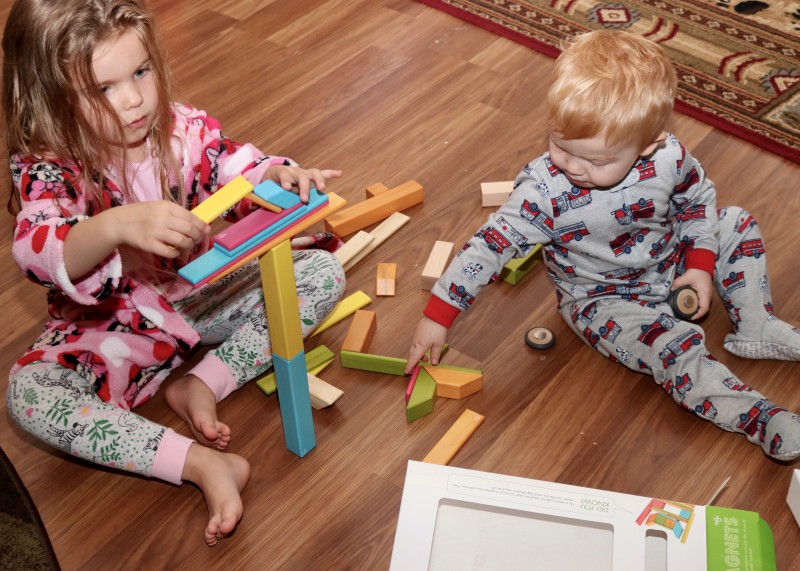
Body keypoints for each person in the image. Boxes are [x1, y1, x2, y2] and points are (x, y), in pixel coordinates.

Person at [3, 0, 347, 546]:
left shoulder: (178, 127)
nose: (135, 99)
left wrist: (277, 174)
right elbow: (40, 248)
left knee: (321, 272)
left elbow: (234, 165)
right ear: (51, 96)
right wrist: (116, 225)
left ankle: (200, 385)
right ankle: (200, 464)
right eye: (103, 88)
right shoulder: (48, 168)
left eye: (140, 72)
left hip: (196, 291)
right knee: (30, 396)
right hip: (113, 326)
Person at [406, 29, 800, 462]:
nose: (573, 167)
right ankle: (759, 417)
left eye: (595, 161)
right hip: (604, 301)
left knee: (736, 221)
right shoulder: (544, 192)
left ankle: (756, 325)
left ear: (648, 146)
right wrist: (437, 317)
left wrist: (699, 266)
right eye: (559, 146)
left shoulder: (668, 156)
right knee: (673, 351)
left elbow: (696, 202)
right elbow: (486, 249)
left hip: (670, 261)